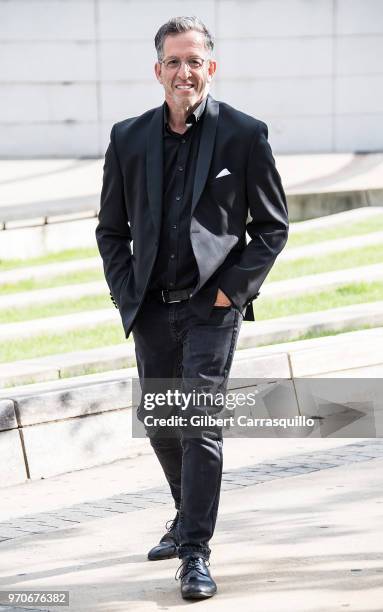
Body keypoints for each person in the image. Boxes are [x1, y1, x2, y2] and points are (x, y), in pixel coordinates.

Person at [96, 15, 288, 600]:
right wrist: (127, 292)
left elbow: (272, 228)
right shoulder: (127, 137)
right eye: (174, 62)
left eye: (195, 60)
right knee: (162, 422)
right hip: (151, 305)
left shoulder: (243, 134)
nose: (185, 72)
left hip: (213, 306)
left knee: (198, 423)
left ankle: (195, 552)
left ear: (212, 66)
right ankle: (185, 516)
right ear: (158, 71)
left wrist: (231, 293)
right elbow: (110, 230)